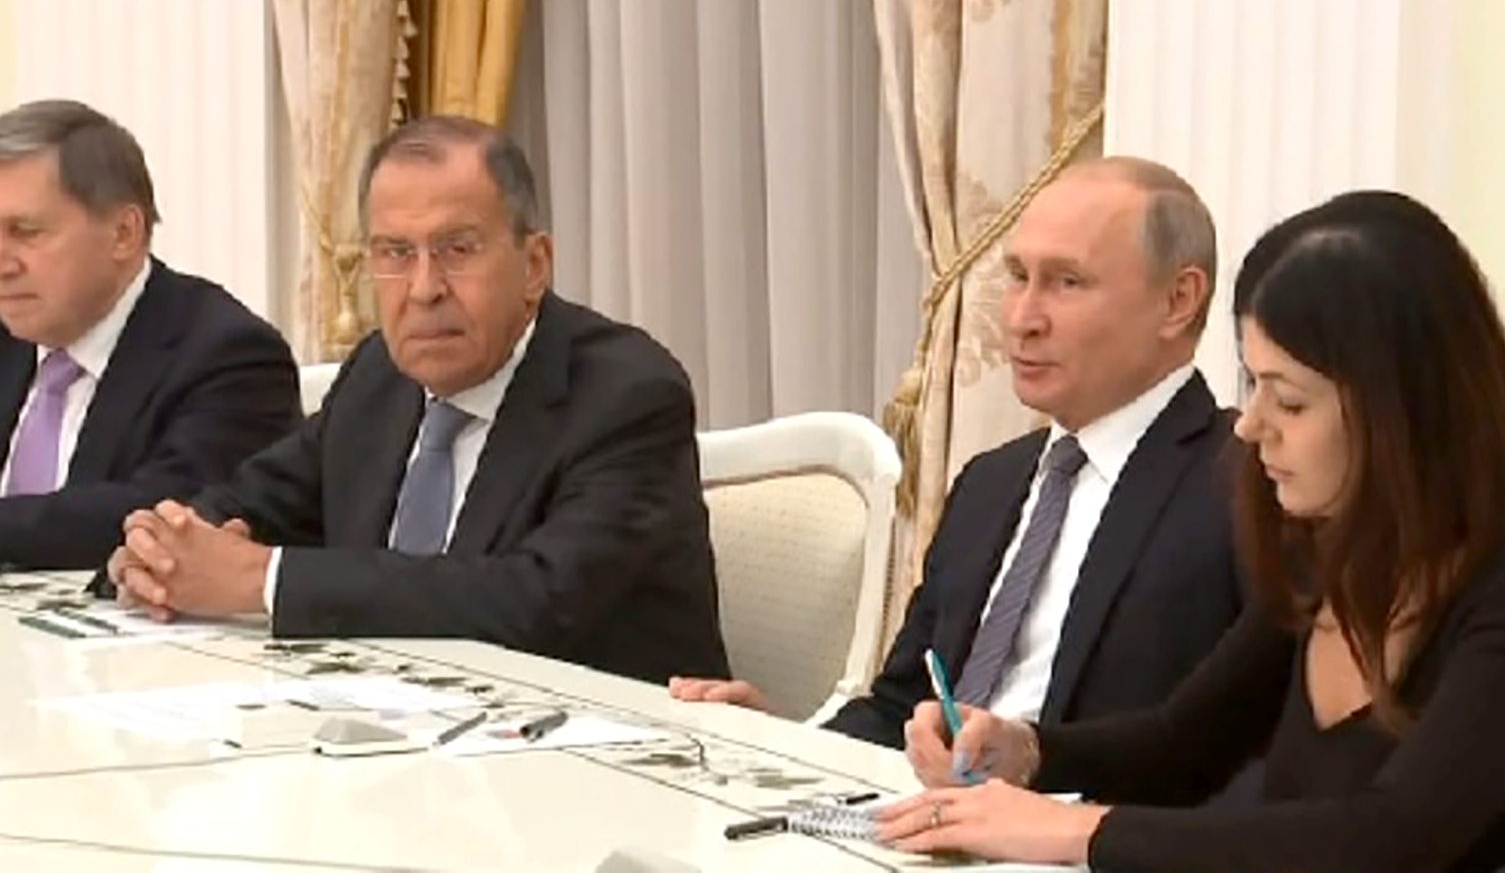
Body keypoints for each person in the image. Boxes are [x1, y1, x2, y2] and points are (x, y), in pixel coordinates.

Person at [881, 190, 1505, 872]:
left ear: (1405, 411)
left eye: (1290, 400)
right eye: (1252, 384)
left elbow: (1389, 839)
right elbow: (1184, 743)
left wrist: (1073, 832)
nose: (1251, 424)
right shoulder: (1324, 552)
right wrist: (1028, 750)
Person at [107, 115, 729, 685]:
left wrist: (260, 578)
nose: (424, 288)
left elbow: (539, 600)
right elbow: (249, 502)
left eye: (457, 250)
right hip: (388, 729)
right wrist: (160, 550)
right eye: (396, 254)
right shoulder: (380, 374)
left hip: (601, 744)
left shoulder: (626, 394)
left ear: (535, 265)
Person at [671, 157, 1245, 757]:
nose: (1021, 319)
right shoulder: (990, 482)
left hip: (1077, 813)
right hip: (921, 806)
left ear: (1178, 300)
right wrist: (782, 745)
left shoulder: (1246, 488)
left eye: (1067, 282)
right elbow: (901, 709)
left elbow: (1238, 759)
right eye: (1018, 276)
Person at [0, 99, 298, 570]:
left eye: (26, 231)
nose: (4, 263)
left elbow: (167, 513)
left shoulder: (230, 355)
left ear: (124, 232)